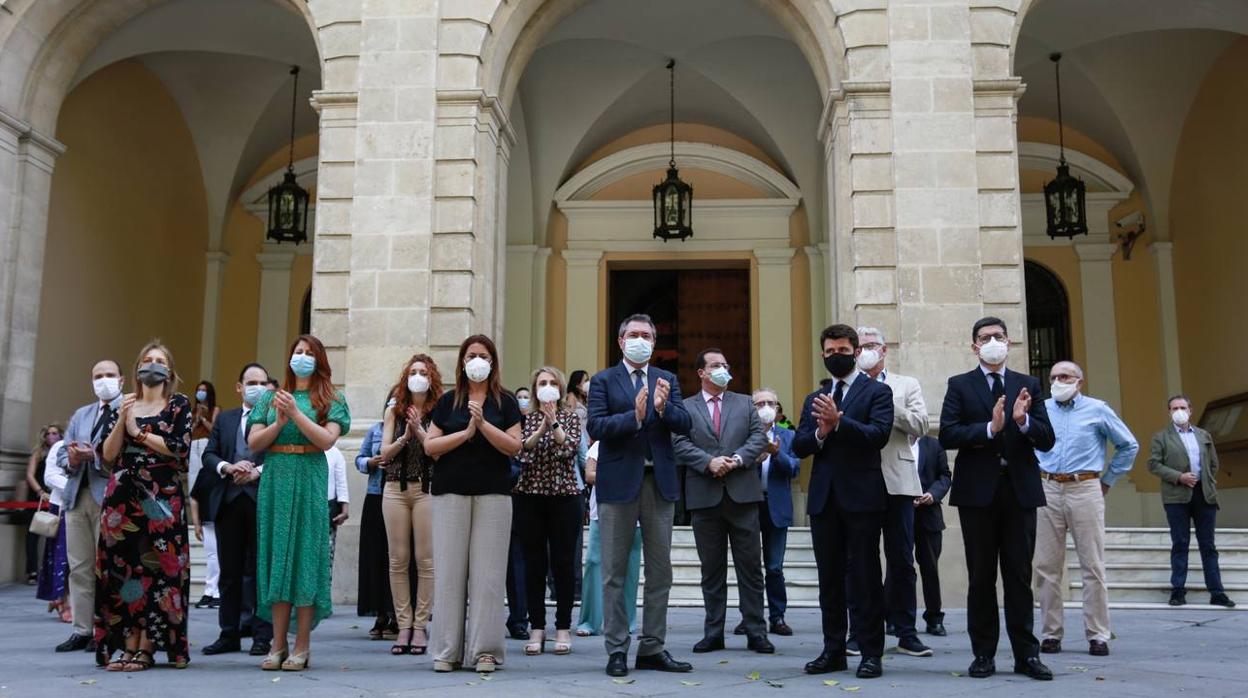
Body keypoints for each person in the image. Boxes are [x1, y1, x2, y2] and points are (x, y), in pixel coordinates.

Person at [940, 316, 1055, 681]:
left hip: (1019, 492)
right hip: (978, 494)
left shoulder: (1028, 384)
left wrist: (1022, 422)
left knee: (1019, 577)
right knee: (981, 576)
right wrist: (991, 428)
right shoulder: (959, 384)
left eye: (999, 336)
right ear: (974, 346)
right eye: (986, 337)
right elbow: (947, 433)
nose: (993, 342)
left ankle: (1027, 655)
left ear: (1009, 342)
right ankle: (983, 654)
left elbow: (1047, 438)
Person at [587, 313, 694, 678]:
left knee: (660, 571)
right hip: (618, 482)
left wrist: (663, 409)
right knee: (614, 572)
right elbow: (596, 426)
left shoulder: (667, 379)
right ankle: (616, 648)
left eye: (647, 335)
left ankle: (653, 647)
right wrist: (632, 417)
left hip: (659, 482)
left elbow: (686, 423)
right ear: (621, 341)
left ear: (654, 341)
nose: (640, 340)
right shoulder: (603, 380)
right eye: (634, 334)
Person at [793, 324, 893, 680]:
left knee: (865, 578)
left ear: (855, 352)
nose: (837, 356)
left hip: (862, 499)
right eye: (830, 351)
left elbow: (878, 436)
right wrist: (820, 431)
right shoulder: (814, 398)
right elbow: (799, 444)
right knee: (829, 580)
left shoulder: (876, 392)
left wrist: (840, 422)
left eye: (843, 350)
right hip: (824, 499)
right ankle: (833, 650)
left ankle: (870, 653)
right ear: (823, 354)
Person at [247, 335, 351, 671]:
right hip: (276, 476)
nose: (301, 357)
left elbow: (326, 439)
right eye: (297, 352)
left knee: (305, 558)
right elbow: (253, 443)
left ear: (319, 360)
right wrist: (279, 421)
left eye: (308, 353)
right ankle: (277, 644)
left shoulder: (330, 398)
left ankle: (302, 645)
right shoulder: (269, 398)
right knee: (279, 558)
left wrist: (295, 414)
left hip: (309, 475)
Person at [423, 335, 523, 673]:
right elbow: (431, 446)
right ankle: (447, 649)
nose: (477, 360)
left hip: (494, 493)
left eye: (482, 355)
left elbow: (514, 446)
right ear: (462, 363)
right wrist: (466, 434)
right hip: (450, 491)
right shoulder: (448, 401)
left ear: (492, 361)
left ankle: (485, 650)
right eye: (471, 355)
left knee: (489, 575)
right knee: (450, 572)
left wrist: (482, 425)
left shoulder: (505, 401)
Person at [95, 340, 193, 671]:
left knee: (157, 570)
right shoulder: (124, 404)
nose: (153, 364)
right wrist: (124, 420)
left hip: (161, 498)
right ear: (138, 368)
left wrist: (139, 433)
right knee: (123, 570)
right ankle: (126, 645)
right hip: (121, 499)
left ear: (169, 370)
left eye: (159, 360)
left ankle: (148, 647)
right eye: (147, 360)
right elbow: (108, 455)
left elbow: (180, 448)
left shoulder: (178, 404)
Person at [1033, 361, 1139, 656]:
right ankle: (1050, 634)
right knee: (1046, 567)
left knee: (1092, 564)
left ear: (1079, 381)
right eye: (1053, 377)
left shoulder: (1097, 409)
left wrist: (1107, 481)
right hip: (1048, 487)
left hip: (1085, 487)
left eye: (1064, 376)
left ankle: (1098, 634)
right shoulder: (1041, 409)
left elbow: (1128, 444)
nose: (1057, 381)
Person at [672, 349, 770, 655]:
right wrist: (708, 462)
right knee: (711, 570)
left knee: (751, 568)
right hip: (705, 497)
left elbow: (758, 437)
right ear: (701, 372)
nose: (723, 369)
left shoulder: (744, 403)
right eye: (716, 365)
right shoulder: (685, 408)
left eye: (726, 365)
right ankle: (713, 632)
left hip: (743, 495)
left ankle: (756, 631)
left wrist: (738, 459)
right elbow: (679, 443)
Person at [850, 327, 932, 658]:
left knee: (901, 559)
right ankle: (860, 631)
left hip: (898, 480)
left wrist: (884, 402)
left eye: (872, 345)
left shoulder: (906, 384)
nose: (866, 351)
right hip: (859, 482)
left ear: (884, 350)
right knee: (859, 561)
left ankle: (905, 630)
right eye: (861, 346)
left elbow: (922, 425)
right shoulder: (847, 386)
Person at [199, 363, 274, 657]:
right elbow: (209, 453)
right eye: (251, 382)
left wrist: (257, 470)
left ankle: (261, 636)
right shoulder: (226, 419)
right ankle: (228, 633)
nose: (256, 386)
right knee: (228, 572)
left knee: (259, 571)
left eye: (261, 382)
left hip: (260, 499)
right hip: (228, 500)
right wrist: (227, 467)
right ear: (239, 387)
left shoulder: (274, 418)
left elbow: (280, 457)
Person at [54, 359, 123, 653]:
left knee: (107, 567)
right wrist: (71, 458)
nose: (103, 380)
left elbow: (123, 457)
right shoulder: (81, 415)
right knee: (80, 566)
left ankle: (106, 628)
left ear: (121, 380)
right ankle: (81, 629)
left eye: (109, 375)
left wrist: (93, 456)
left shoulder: (126, 411)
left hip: (109, 497)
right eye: (98, 376)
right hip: (77, 496)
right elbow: (61, 454)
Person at [515, 367, 584, 656]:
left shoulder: (572, 417)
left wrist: (554, 423)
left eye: (552, 382)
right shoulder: (526, 419)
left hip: (565, 496)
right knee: (533, 564)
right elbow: (522, 451)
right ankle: (537, 627)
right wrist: (542, 426)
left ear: (560, 386)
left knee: (564, 563)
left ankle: (564, 627)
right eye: (542, 383)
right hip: (530, 495)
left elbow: (568, 449)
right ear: (534, 389)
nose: (547, 387)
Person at [378, 354, 442, 656]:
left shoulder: (440, 410)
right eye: (413, 372)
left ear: (432, 378)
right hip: (394, 489)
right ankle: (403, 625)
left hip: (426, 489)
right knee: (397, 559)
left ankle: (420, 625)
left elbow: (438, 452)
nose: (418, 376)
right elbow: (384, 454)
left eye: (423, 372)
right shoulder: (395, 410)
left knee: (425, 560)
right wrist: (406, 435)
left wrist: (419, 430)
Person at [1148, 395, 1235, 608]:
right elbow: (1153, 464)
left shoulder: (1203, 435)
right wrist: (1179, 477)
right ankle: (1178, 590)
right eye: (1174, 408)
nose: (1179, 411)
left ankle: (1217, 592)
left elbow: (1213, 463)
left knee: (1208, 545)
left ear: (1190, 409)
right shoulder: (1161, 437)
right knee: (1180, 543)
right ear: (1169, 412)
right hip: (1176, 497)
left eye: (1182, 407)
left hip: (1204, 495)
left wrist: (1209, 482)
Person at [732, 388, 799, 637]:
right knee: (748, 566)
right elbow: (733, 466)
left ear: (778, 408)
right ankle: (750, 616)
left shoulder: (788, 436)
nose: (766, 407)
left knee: (774, 567)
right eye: (760, 403)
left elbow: (794, 468)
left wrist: (776, 454)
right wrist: (754, 460)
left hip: (777, 507)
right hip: (747, 504)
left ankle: (777, 616)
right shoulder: (741, 434)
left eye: (771, 402)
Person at [577, 440, 642, 637]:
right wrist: (619, 476)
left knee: (630, 569)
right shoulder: (599, 445)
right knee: (594, 563)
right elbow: (589, 475)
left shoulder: (639, 445)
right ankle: (589, 622)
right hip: (602, 512)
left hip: (635, 512)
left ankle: (627, 622)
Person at [356, 398, 398, 641]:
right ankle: (379, 613)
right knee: (375, 555)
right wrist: (370, 462)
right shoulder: (375, 430)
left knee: (398, 556)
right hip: (376, 494)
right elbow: (359, 458)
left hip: (400, 494)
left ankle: (397, 614)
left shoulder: (409, 429)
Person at [913, 435, 951, 636]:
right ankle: (894, 617)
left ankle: (934, 617)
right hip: (901, 513)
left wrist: (933, 494)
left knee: (930, 567)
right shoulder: (893, 444)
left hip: (929, 515)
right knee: (898, 568)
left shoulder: (934, 444)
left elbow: (945, 476)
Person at [189, 380, 221, 609]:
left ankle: (214, 591)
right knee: (196, 481)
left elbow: (214, 431)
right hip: (194, 446)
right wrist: (194, 419)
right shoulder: (191, 410)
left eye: (203, 390)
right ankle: (212, 591)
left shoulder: (216, 411)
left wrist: (203, 419)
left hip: (206, 443)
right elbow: (187, 433)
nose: (200, 393)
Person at [36, 434, 72, 623]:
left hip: (90, 506)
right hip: (63, 507)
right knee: (62, 558)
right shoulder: (60, 445)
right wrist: (76, 486)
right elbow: (50, 477)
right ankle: (62, 600)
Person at [505, 387, 531, 641]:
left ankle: (520, 618)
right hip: (501, 497)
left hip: (522, 503)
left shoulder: (528, 426)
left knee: (518, 565)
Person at [24, 424, 63, 586]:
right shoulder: (38, 453)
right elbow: (30, 475)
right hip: (38, 497)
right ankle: (32, 571)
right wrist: (40, 492)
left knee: (55, 534)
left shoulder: (64, 450)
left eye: (55, 433)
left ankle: (52, 571)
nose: (52, 436)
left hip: (56, 497)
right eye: (49, 433)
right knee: (33, 535)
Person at [326, 445, 350, 565]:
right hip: (305, 511)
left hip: (328, 510)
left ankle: (325, 583)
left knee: (326, 555)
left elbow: (341, 483)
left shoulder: (334, 453)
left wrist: (344, 509)